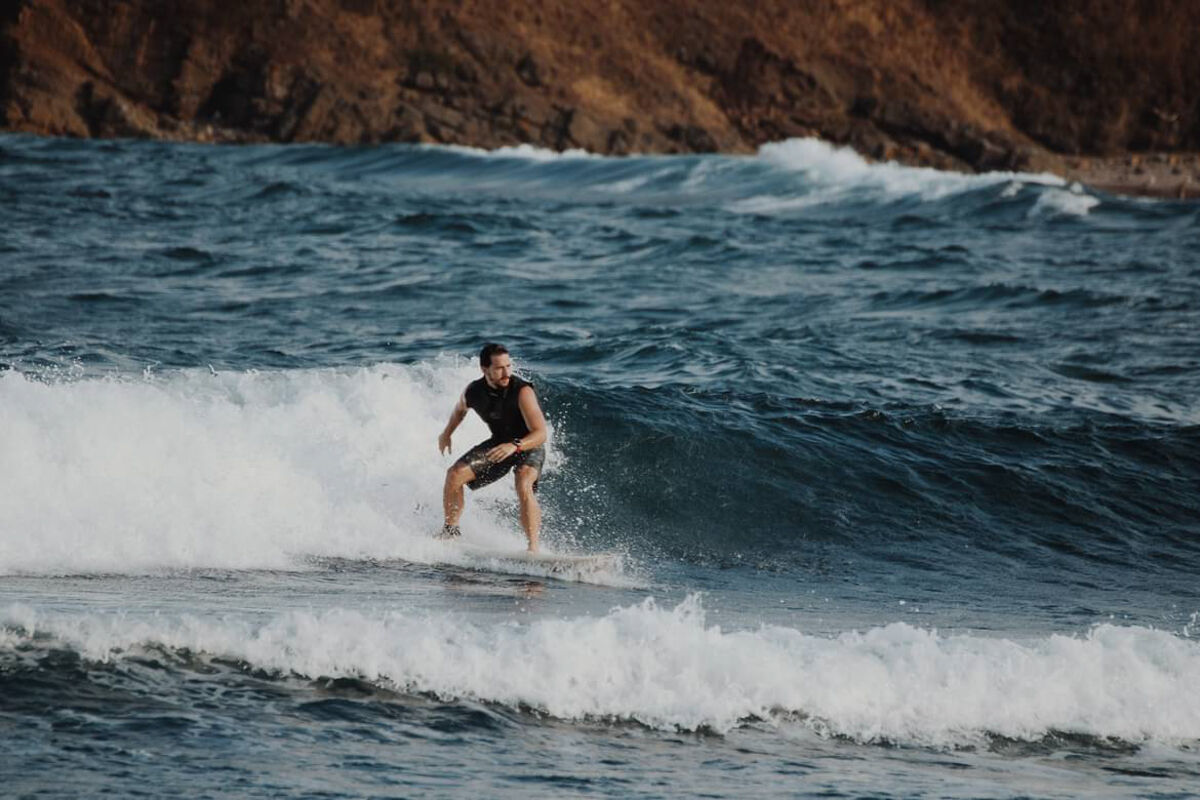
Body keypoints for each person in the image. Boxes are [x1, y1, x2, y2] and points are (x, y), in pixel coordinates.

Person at [437, 343, 548, 551]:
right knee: (454, 475)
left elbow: (541, 433)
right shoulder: (474, 391)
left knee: (523, 481)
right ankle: (450, 533)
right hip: (499, 443)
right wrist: (446, 433)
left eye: (508, 366)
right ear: (484, 369)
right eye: (499, 368)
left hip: (528, 444)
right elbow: (460, 409)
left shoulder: (522, 391)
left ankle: (533, 548)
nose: (506, 372)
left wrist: (515, 445)